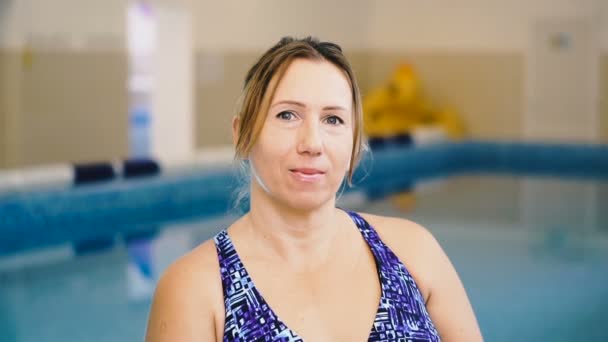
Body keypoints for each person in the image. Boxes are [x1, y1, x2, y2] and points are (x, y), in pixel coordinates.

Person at [145, 36, 482, 342]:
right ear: (242, 134)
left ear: (354, 144)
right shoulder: (196, 289)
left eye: (333, 119)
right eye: (288, 115)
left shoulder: (414, 253)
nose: (312, 143)